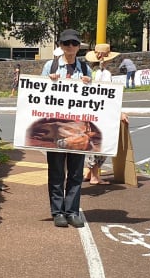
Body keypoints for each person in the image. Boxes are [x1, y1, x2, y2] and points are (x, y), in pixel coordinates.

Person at [42, 29, 91, 227]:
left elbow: (99, 99)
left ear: (79, 46)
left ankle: (72, 210)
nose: (70, 47)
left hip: (78, 129)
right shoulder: (50, 66)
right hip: (56, 127)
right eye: (66, 43)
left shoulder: (86, 69)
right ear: (60, 45)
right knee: (56, 172)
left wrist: (89, 84)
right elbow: (36, 94)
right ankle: (57, 212)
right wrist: (49, 82)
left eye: (74, 43)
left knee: (76, 173)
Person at [85, 57, 114, 185]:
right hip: (101, 111)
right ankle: (94, 176)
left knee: (92, 141)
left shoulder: (90, 71)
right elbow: (108, 94)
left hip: (90, 110)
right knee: (100, 143)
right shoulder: (105, 73)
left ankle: (90, 173)